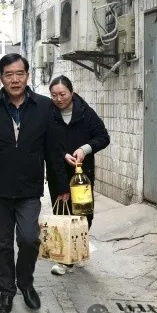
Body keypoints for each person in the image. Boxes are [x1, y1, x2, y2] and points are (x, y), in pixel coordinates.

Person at [0, 53, 68, 313]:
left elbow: (53, 150)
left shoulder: (44, 106)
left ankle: (26, 283)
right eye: (9, 75)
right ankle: (6, 290)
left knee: (29, 239)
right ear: (1, 78)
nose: (15, 79)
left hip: (29, 187)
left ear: (27, 76)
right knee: (2, 244)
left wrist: (61, 187)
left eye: (19, 74)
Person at [47, 75, 110, 276]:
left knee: (84, 215)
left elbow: (103, 137)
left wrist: (85, 149)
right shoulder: (47, 114)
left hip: (83, 175)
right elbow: (43, 143)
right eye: (54, 95)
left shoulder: (85, 113)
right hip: (58, 173)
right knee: (63, 213)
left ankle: (78, 250)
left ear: (72, 92)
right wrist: (62, 155)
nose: (58, 99)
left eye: (62, 94)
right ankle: (65, 261)